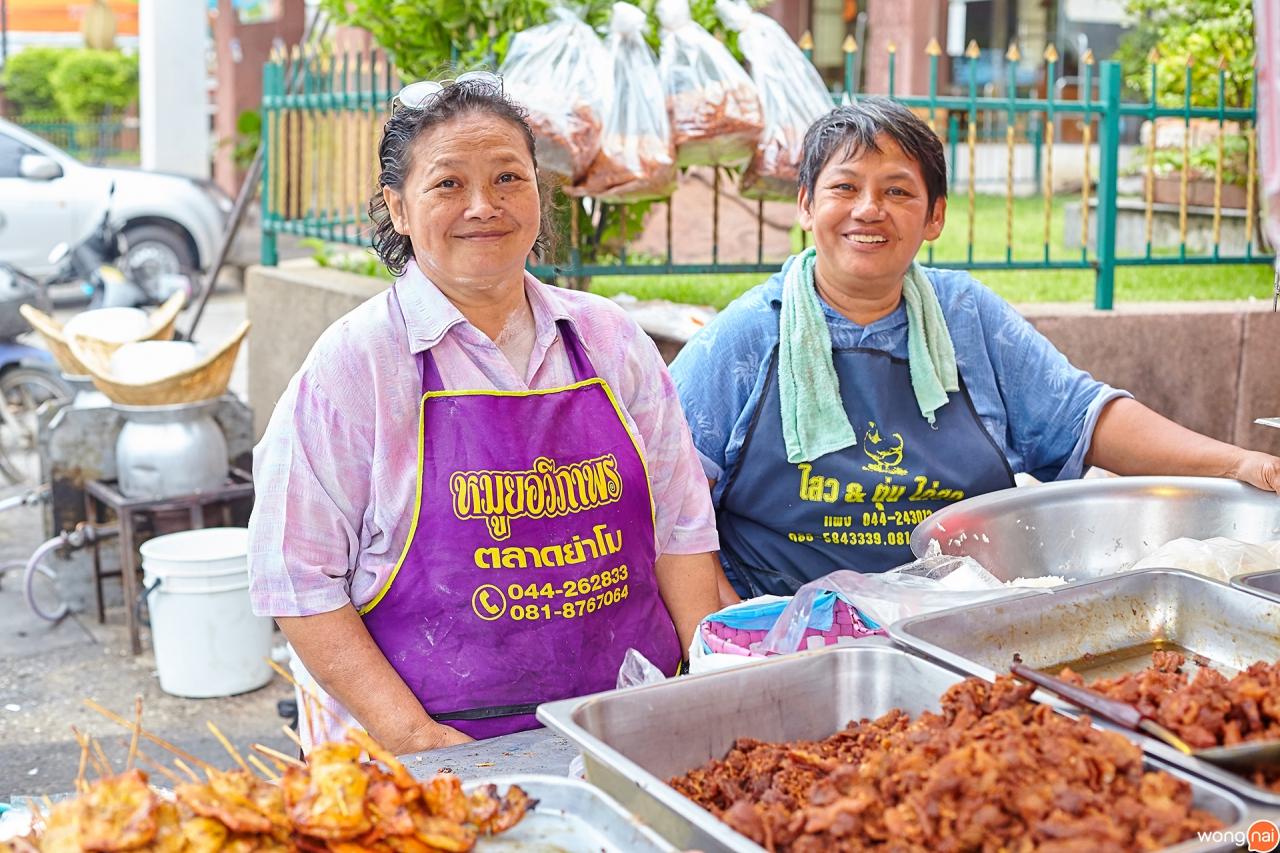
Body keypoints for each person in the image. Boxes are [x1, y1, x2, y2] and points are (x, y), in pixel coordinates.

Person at [247, 74, 722, 755]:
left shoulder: (609, 338)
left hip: (625, 726)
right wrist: (417, 739)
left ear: (538, 193)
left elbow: (680, 527)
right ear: (399, 207)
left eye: (508, 178)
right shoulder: (356, 365)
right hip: (428, 752)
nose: (483, 206)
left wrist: (703, 684)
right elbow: (297, 578)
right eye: (448, 183)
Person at [670, 97, 1280, 598]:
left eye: (898, 192)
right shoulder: (746, 336)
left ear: (934, 217)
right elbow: (671, 501)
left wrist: (1239, 464)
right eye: (845, 187)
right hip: (786, 625)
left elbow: (1083, 419)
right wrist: (728, 636)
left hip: (954, 616)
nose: (869, 210)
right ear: (806, 205)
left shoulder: (967, 316)